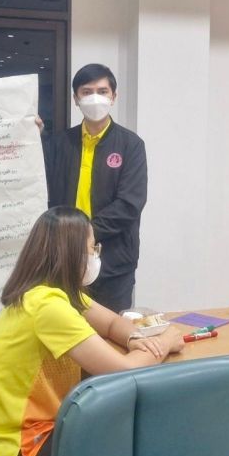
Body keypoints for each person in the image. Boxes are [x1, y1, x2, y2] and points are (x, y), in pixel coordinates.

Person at [0, 206, 184, 456]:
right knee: (131, 437)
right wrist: (165, 341)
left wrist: (134, 339)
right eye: (93, 249)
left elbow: (111, 323)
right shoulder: (48, 306)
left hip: (18, 429)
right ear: (71, 254)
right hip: (18, 445)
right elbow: (123, 371)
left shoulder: (50, 291)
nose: (95, 256)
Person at [45, 64, 147, 312]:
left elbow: (129, 204)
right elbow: (42, 193)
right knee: (66, 329)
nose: (95, 98)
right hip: (65, 259)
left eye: (102, 91)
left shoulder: (130, 145)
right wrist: (28, 134)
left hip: (114, 261)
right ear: (76, 99)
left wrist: (85, 233)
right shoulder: (59, 144)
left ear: (114, 96)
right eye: (87, 91)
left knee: (111, 328)